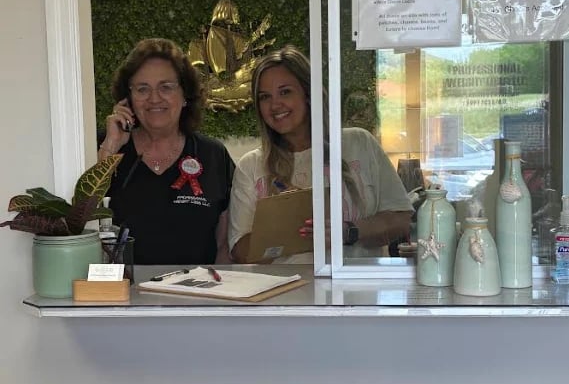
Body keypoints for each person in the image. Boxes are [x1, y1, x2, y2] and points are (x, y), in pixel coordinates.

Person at [228, 45, 413, 263]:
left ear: (308, 94)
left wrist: (348, 231)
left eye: (285, 92)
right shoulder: (251, 165)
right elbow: (239, 252)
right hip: (284, 294)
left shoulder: (359, 142)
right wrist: (282, 221)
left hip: (356, 291)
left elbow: (401, 219)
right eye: (264, 97)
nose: (275, 104)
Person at [98, 38, 235, 265]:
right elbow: (80, 222)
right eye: (142, 89)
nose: (154, 98)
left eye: (166, 87)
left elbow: (224, 246)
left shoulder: (213, 155)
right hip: (124, 294)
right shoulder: (104, 148)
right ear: (128, 99)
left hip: (197, 294)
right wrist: (109, 148)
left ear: (185, 96)